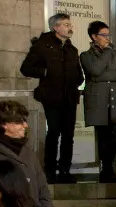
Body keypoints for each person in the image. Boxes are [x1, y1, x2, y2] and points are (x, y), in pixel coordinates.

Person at [20, 13, 84, 184]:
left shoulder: (72, 49)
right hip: (52, 97)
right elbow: (25, 68)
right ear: (56, 27)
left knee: (68, 135)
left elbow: (78, 73)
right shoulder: (42, 46)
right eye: (65, 24)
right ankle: (49, 171)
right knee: (54, 132)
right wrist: (45, 72)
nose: (70, 27)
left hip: (70, 97)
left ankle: (65, 170)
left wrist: (78, 80)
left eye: (70, 24)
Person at [79, 21, 116, 183]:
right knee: (104, 135)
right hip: (99, 102)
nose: (107, 38)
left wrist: (100, 78)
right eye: (104, 35)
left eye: (108, 35)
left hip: (115, 102)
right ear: (94, 37)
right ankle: (106, 169)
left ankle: (108, 166)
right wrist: (106, 53)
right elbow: (94, 70)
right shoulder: (86, 56)